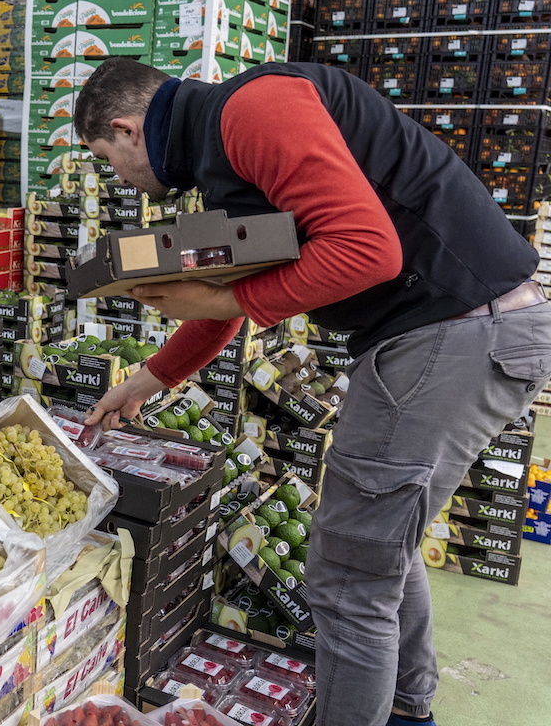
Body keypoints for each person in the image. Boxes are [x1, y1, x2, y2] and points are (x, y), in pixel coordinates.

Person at [77, 58, 551, 726]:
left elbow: (367, 251)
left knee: (347, 580)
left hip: (453, 332)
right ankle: (407, 711)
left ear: (127, 130)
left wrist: (221, 292)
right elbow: (230, 307)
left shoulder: (251, 110)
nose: (119, 179)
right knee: (380, 544)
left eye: (107, 159)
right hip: (460, 331)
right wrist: (147, 379)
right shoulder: (224, 149)